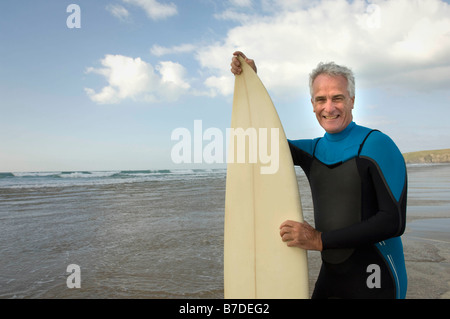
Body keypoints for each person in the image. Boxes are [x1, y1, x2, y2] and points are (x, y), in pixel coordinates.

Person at [230, 51, 408, 299]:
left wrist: (318, 239)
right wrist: (251, 82)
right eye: (320, 99)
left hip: (377, 275)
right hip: (332, 277)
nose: (329, 107)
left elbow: (393, 222)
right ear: (312, 104)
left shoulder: (377, 144)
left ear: (352, 100)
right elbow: (259, 143)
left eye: (338, 98)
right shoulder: (312, 151)